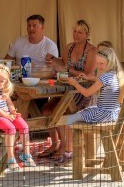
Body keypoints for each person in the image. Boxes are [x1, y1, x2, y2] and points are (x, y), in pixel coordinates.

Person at [53, 45, 124, 165]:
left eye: (102, 64)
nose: (98, 66)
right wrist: (89, 77)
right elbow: (99, 81)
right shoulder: (114, 75)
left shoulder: (105, 78)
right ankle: (82, 153)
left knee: (67, 120)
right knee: (79, 113)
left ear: (110, 63)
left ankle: (69, 153)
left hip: (103, 115)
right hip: (113, 113)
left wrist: (74, 83)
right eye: (97, 63)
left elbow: (87, 93)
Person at [38, 20, 97, 159]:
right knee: (46, 110)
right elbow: (63, 63)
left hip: (82, 91)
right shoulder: (69, 47)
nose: (76, 34)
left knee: (60, 112)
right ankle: (55, 144)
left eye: (80, 32)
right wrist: (53, 59)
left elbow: (88, 75)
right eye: (74, 31)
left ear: (87, 34)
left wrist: (67, 70)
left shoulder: (91, 50)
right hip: (66, 89)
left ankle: (66, 148)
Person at [0, 64, 36, 171]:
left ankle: (26, 155)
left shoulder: (2, 91)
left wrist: (13, 112)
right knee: (11, 128)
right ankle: (11, 158)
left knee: (24, 126)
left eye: (2, 81)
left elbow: (9, 104)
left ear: (6, 82)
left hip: (7, 115)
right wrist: (6, 115)